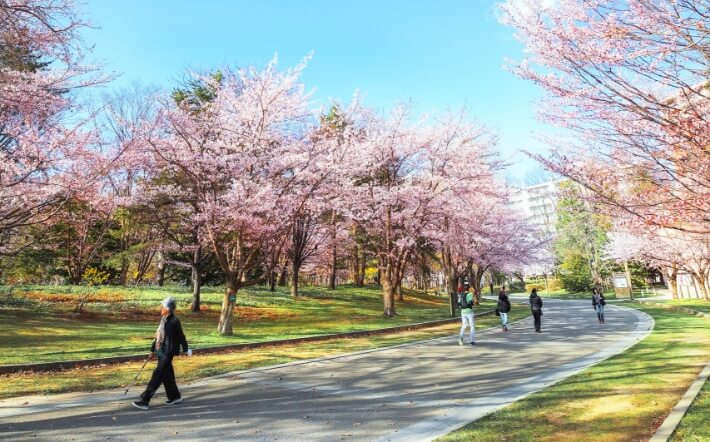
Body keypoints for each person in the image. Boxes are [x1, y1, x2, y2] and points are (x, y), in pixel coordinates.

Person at [133, 297, 189, 410]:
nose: (161, 308)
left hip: (168, 352)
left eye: (162, 306)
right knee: (167, 375)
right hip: (161, 351)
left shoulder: (174, 321)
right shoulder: (164, 319)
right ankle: (175, 396)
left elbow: (181, 336)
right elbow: (158, 337)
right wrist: (152, 350)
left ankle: (144, 400)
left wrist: (185, 348)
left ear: (168, 309)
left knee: (158, 375)